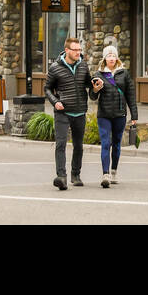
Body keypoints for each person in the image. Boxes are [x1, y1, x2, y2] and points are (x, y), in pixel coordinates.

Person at [44, 36, 94, 190]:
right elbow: (47, 88)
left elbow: (89, 85)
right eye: (75, 50)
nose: (79, 52)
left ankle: (76, 175)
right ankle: (62, 177)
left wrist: (96, 88)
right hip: (63, 112)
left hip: (79, 111)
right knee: (61, 144)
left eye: (80, 50)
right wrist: (55, 102)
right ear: (67, 50)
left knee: (78, 146)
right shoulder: (55, 68)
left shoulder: (83, 66)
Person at [90, 44, 138, 188]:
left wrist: (134, 115)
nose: (111, 58)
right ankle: (105, 174)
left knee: (116, 144)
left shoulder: (124, 73)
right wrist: (95, 89)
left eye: (113, 55)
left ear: (117, 58)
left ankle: (114, 171)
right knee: (106, 143)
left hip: (119, 114)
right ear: (104, 59)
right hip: (104, 114)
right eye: (109, 55)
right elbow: (92, 96)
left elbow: (130, 95)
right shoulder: (98, 75)